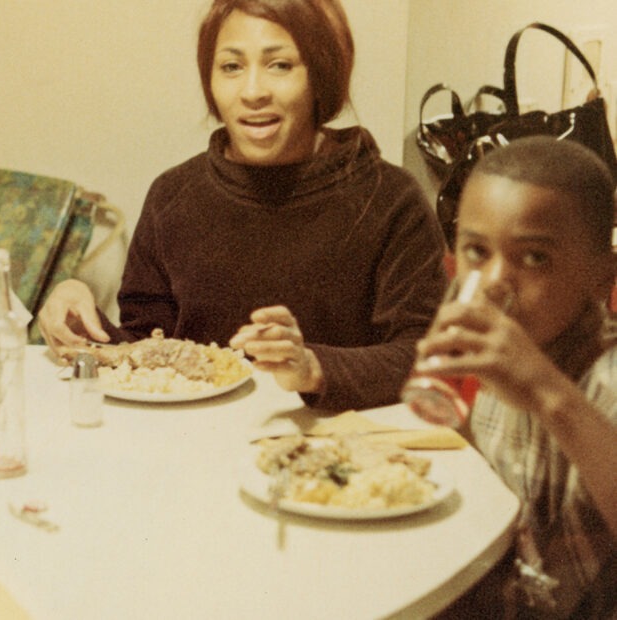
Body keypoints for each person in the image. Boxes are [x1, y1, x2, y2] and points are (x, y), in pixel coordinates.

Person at [36, 0, 447, 410]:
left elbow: (425, 356)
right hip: (195, 442)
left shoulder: (391, 199)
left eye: (280, 65)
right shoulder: (173, 195)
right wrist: (81, 323)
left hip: (335, 448)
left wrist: (312, 367)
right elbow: (146, 348)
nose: (253, 92)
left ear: (321, 75)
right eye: (232, 67)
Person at [423, 137, 617, 618]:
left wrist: (548, 393)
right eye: (475, 250)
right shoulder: (500, 356)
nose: (493, 281)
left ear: (603, 275)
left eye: (534, 258)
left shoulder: (606, 376)